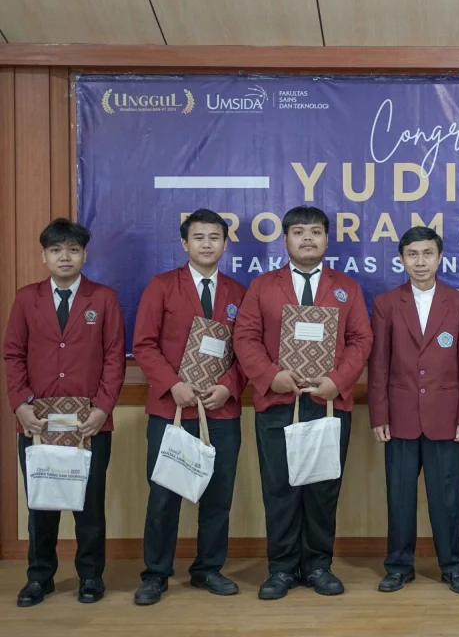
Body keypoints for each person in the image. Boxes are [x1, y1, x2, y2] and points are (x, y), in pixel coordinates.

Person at [233, 206, 373, 600]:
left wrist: (337, 381)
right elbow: (245, 337)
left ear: (327, 239)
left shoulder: (347, 287)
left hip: (328, 402)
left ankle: (317, 566)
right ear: (285, 240)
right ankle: (280, 569)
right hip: (279, 400)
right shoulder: (263, 286)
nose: (307, 238)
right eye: (298, 232)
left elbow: (362, 339)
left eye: (315, 231)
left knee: (322, 488)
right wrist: (270, 375)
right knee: (280, 488)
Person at [3, 219, 126, 607]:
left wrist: (102, 408)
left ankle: (91, 575)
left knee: (89, 503)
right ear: (44, 256)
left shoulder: (103, 298)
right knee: (41, 503)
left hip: (89, 421)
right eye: (56, 250)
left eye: (73, 249)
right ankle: (40, 577)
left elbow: (114, 358)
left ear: (84, 255)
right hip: (37, 421)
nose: (65, 257)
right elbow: (13, 354)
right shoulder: (27, 298)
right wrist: (21, 405)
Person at [132, 209, 248, 605]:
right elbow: (144, 344)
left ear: (225, 243)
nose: (206, 244)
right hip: (172, 409)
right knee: (165, 493)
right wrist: (173, 385)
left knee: (218, 495)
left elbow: (247, 351)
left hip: (221, 412)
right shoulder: (162, 286)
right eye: (198, 237)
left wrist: (229, 387)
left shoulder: (238, 292)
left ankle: (208, 569)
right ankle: (155, 574)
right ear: (185, 243)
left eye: (214, 237)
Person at [368, 226, 459, 595]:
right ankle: (399, 566)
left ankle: (453, 567)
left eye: (427, 253)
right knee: (399, 497)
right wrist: (379, 415)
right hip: (399, 417)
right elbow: (378, 366)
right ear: (402, 259)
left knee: (448, 499)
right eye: (412, 254)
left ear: (439, 257)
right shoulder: (386, 303)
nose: (420, 261)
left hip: (446, 418)